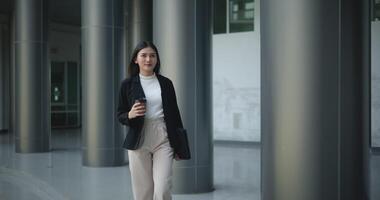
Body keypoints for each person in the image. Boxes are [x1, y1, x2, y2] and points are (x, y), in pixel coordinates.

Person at [117, 41, 183, 200]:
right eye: (144, 55)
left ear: (157, 60)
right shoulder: (127, 84)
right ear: (136, 59)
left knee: (163, 188)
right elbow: (120, 114)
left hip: (163, 136)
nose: (148, 59)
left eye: (152, 56)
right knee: (143, 191)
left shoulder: (166, 83)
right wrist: (130, 115)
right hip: (139, 137)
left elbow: (175, 114)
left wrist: (179, 145)